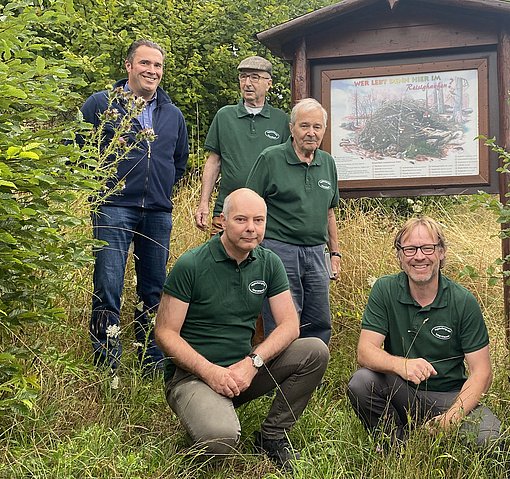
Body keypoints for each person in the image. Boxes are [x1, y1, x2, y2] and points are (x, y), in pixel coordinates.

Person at [154, 188, 329, 471]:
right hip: (192, 377)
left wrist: (253, 363)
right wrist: (211, 372)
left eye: (259, 221)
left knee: (314, 351)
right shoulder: (192, 264)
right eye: (241, 220)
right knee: (221, 440)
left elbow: (289, 325)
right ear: (222, 220)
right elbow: (164, 333)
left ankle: (272, 436)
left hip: (242, 370)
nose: (251, 229)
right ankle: (206, 421)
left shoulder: (269, 263)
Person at [79, 39, 189, 372]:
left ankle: (150, 361)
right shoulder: (101, 104)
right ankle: (106, 363)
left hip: (157, 211)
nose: (152, 71)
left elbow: (179, 162)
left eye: (157, 66)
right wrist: (100, 184)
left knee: (155, 286)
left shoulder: (173, 115)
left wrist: (158, 187)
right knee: (108, 284)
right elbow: (78, 148)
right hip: (113, 206)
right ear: (129, 66)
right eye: (145, 64)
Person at [346, 217, 502, 448]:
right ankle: (395, 446)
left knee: (489, 439)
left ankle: (438, 432)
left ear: (441, 252)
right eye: (410, 249)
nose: (419, 256)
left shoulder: (462, 300)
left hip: (450, 395)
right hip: (402, 390)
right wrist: (402, 365)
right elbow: (365, 352)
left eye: (428, 248)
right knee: (361, 382)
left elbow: (482, 372)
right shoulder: (384, 290)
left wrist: (452, 417)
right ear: (400, 255)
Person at [245, 98, 341, 345]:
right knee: (282, 322)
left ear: (324, 130)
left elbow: (329, 213)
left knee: (319, 321)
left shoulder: (327, 163)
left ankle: (310, 378)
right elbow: (249, 206)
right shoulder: (271, 158)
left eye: (317, 127)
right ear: (291, 128)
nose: (311, 133)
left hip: (317, 254)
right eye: (304, 126)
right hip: (279, 251)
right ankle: (279, 379)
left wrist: (335, 253)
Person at [194, 56, 290, 234]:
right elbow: (213, 162)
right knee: (223, 260)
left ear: (268, 83)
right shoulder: (225, 116)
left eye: (255, 77)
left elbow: (288, 168)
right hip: (227, 212)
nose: (247, 83)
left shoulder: (281, 120)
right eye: (243, 76)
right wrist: (203, 203)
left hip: (268, 215)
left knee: (263, 261)